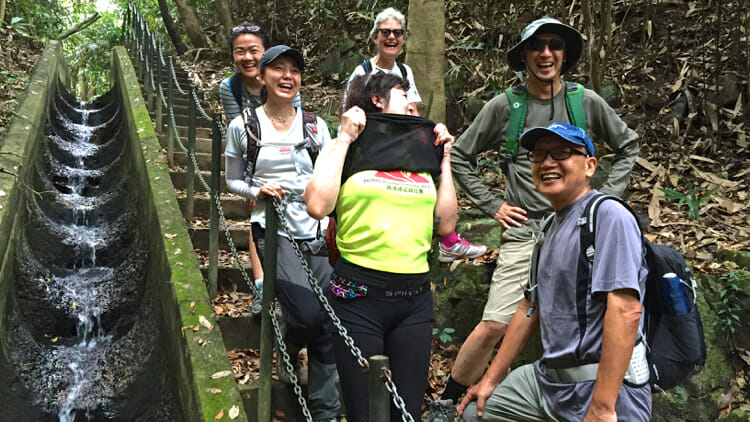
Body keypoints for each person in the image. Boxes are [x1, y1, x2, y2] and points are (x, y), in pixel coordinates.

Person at [428, 16, 641, 420]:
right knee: (496, 322)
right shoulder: (507, 106)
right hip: (527, 231)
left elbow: (627, 143)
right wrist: (494, 206)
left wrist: (606, 199)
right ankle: (448, 400)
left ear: (565, 54)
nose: (546, 54)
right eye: (537, 46)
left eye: (554, 45)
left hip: (581, 226)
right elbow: (460, 155)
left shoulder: (585, 101)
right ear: (524, 56)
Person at [457, 122, 651, 421]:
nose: (547, 162)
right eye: (539, 155)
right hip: (549, 381)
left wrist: (602, 408)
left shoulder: (608, 216)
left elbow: (625, 310)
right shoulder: (550, 225)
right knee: (478, 414)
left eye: (562, 152)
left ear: (589, 166)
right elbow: (528, 307)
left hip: (602, 387)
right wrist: (490, 379)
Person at [304, 72, 458, 422]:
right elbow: (317, 206)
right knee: (365, 412)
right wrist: (343, 138)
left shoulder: (420, 148)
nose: (414, 101)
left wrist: (445, 159)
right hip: (357, 295)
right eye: (405, 94)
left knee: (407, 413)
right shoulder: (350, 143)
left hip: (414, 298)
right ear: (377, 100)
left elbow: (446, 224)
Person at [224, 45, 339, 422]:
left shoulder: (316, 126)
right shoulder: (244, 126)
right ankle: (288, 354)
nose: (287, 77)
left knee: (327, 321)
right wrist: (257, 191)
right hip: (272, 230)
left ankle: (325, 408)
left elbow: (329, 176)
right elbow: (232, 180)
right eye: (279, 70)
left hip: (318, 231)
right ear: (263, 76)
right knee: (306, 317)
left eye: (294, 70)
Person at [341, 7, 486, 263]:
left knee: (434, 160)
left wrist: (429, 135)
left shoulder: (405, 71)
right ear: (375, 37)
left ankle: (447, 240)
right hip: (372, 143)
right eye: (385, 32)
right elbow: (349, 110)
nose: (392, 38)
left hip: (403, 139)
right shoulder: (362, 71)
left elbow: (413, 109)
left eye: (397, 33)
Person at [218, 24, 299, 307]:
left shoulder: (284, 80)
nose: (248, 57)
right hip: (253, 154)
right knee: (258, 211)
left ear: (265, 56)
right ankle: (262, 285)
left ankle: (293, 281)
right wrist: (254, 185)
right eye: (240, 52)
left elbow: (294, 120)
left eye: (254, 51)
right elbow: (238, 133)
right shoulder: (229, 88)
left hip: (287, 153)